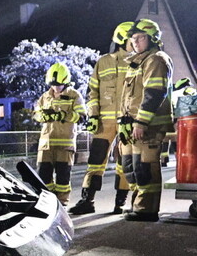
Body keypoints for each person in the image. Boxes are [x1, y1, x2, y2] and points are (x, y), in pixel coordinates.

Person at [68, 22, 134, 216]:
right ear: (122, 39)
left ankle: (120, 203)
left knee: (124, 162)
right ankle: (88, 200)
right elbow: (92, 91)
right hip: (104, 122)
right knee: (95, 161)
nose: (135, 42)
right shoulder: (103, 62)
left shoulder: (139, 62)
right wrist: (93, 115)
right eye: (132, 39)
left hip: (126, 121)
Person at [117, 18, 173, 222]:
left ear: (152, 38)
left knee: (146, 167)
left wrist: (140, 122)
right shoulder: (137, 61)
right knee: (131, 167)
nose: (136, 42)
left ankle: (147, 210)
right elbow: (129, 98)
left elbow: (154, 93)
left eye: (140, 37)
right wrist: (124, 122)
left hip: (148, 125)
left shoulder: (156, 59)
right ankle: (138, 205)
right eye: (133, 38)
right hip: (132, 125)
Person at [33, 62, 85, 205]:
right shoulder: (45, 96)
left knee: (63, 177)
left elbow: (81, 116)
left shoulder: (74, 95)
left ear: (66, 81)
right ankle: (48, 202)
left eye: (59, 85)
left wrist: (63, 115)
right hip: (45, 145)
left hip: (65, 144)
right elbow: (36, 114)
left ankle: (62, 203)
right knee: (43, 176)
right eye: (53, 84)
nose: (56, 87)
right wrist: (44, 116)